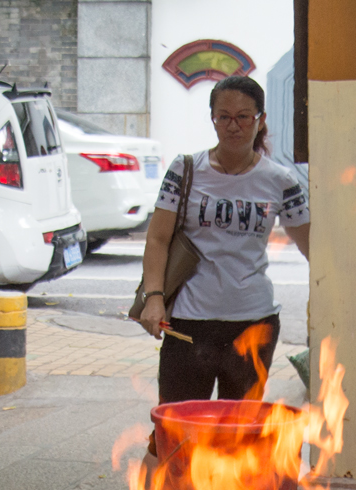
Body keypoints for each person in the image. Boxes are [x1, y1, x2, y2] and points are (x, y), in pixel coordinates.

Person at [134, 74, 312, 402]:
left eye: (244, 117)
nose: (233, 126)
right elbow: (157, 238)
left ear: (260, 121)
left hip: (253, 324)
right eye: (223, 117)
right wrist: (154, 297)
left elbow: (312, 247)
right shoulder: (185, 170)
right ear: (213, 119)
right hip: (188, 323)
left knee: (237, 440)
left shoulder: (280, 181)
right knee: (179, 432)